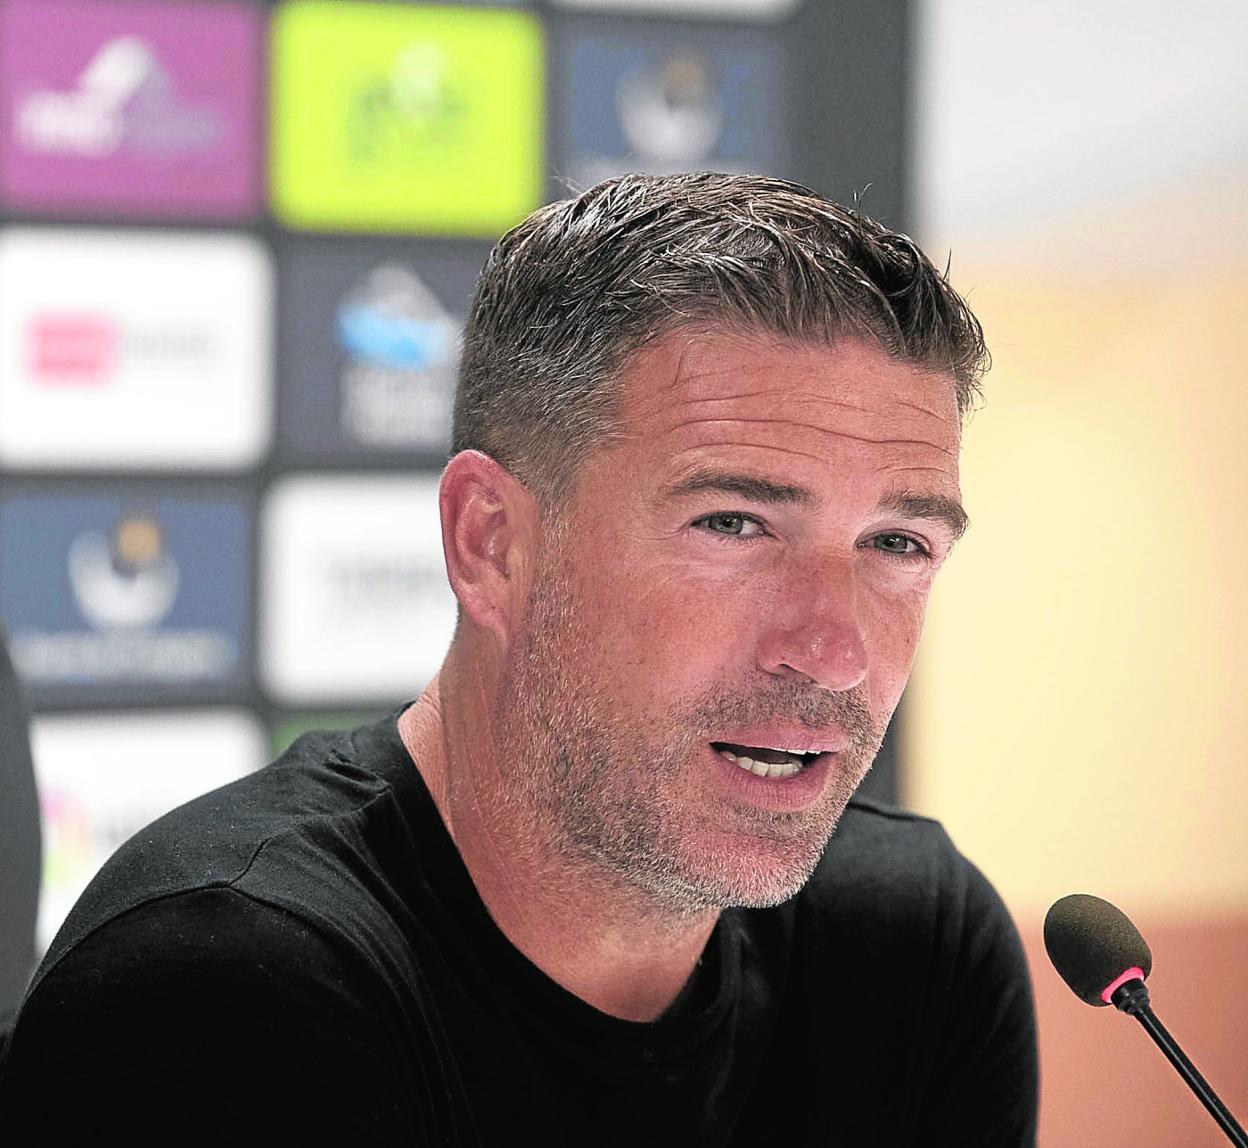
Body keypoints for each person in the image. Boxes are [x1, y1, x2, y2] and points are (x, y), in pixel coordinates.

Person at [0, 173, 1037, 1144]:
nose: (834, 652)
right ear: (490, 543)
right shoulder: (225, 986)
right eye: (732, 523)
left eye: (897, 544)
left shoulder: (917, 950)